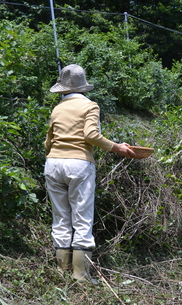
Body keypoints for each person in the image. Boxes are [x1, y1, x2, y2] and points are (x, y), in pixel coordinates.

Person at [44, 64, 137, 284]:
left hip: (53, 163)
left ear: (63, 88)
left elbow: (48, 142)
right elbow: (91, 134)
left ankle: (61, 271)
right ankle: (81, 275)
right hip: (79, 164)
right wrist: (117, 147)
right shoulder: (90, 106)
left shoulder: (57, 108)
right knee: (82, 218)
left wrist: (55, 156)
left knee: (61, 218)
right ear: (83, 87)